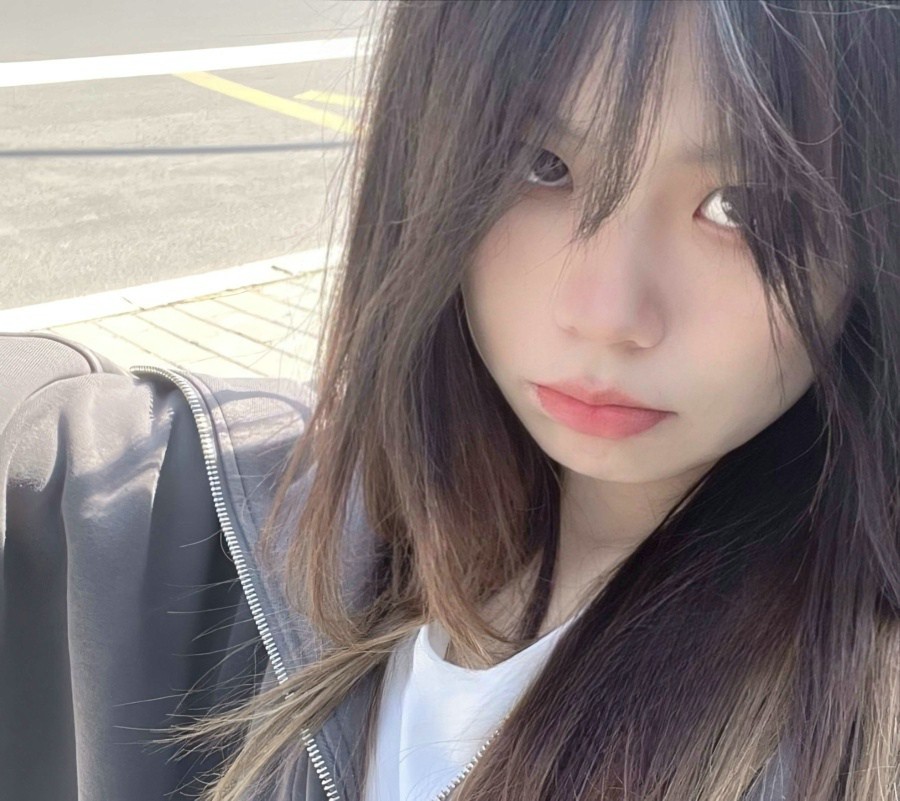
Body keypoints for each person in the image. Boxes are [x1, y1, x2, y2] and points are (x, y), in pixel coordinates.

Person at [1, 0, 898, 799]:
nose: (606, 314)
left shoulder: (851, 725)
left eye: (743, 206)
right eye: (539, 163)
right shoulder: (202, 505)